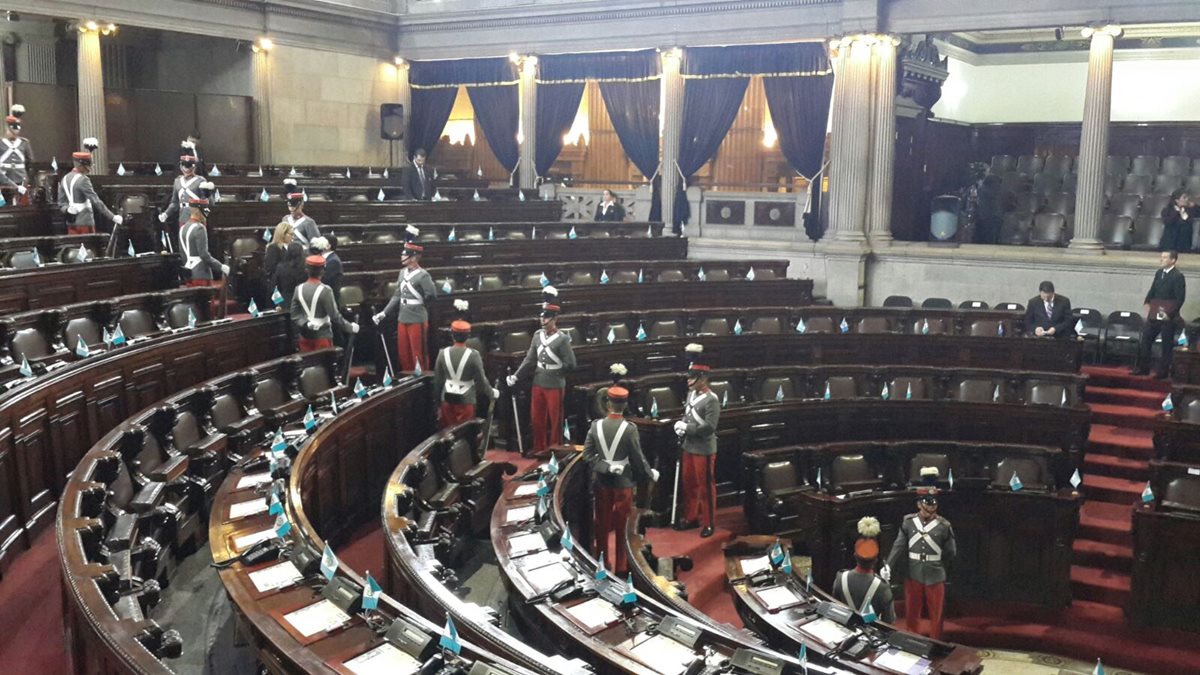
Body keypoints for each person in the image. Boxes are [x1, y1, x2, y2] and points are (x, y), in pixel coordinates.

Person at [582, 385, 658, 576]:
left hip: (601, 482)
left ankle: (602, 562)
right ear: (624, 405)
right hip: (623, 483)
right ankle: (622, 567)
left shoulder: (595, 426)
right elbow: (638, 458)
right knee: (623, 527)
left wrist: (605, 467)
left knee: (601, 524)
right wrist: (650, 475)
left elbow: (587, 455)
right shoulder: (629, 429)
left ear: (608, 404)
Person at [884, 467, 956, 640]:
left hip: (935, 574)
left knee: (936, 615)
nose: (931, 506)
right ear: (918, 504)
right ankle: (912, 640)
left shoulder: (944, 525)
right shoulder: (908, 522)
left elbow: (951, 553)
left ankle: (934, 642)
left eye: (933, 503)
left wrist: (939, 567)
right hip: (913, 573)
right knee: (912, 612)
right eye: (927, 502)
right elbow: (898, 546)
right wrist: (888, 565)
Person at [506, 292, 576, 456]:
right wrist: (516, 376)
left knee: (555, 420)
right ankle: (540, 448)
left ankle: (554, 449)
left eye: (547, 318)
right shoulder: (537, 336)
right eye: (542, 317)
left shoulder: (562, 339)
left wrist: (555, 371)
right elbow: (530, 359)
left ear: (554, 319)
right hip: (538, 381)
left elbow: (571, 364)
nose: (543, 321)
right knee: (537, 418)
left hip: (554, 383)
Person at [373, 226, 436, 372]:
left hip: (417, 317)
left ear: (413, 257)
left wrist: (421, 309)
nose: (401, 257)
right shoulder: (402, 273)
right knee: (404, 353)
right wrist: (384, 312)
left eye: (404, 255)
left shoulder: (423, 275)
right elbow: (397, 295)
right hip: (403, 316)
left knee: (418, 354)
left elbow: (431, 295)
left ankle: (422, 381)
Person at [674, 344, 720, 538]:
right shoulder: (691, 394)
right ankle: (691, 516)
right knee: (689, 484)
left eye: (692, 378)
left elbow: (709, 427)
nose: (689, 381)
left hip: (703, 448)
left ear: (702, 379)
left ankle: (709, 522)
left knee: (705, 487)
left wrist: (687, 428)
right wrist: (681, 425)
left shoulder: (712, 400)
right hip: (688, 446)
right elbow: (688, 414)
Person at [433, 316, 498, 429]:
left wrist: (438, 405)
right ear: (468, 336)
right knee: (465, 436)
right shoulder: (474, 355)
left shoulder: (442, 353)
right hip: (466, 400)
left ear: (452, 335)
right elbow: (482, 382)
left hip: (446, 400)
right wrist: (492, 393)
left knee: (447, 435)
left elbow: (438, 382)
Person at [1133, 249, 1187, 378]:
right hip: (1154, 314)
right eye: (1161, 257)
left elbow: (1180, 298)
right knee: (1146, 338)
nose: (1161, 259)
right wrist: (1147, 301)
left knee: (1166, 344)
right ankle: (1143, 368)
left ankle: (1162, 372)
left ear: (1172, 260)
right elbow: (1153, 289)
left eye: (1164, 257)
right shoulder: (1159, 273)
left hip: (1168, 316)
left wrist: (1171, 313)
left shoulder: (1177, 276)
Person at [832, 517, 896, 624]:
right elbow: (889, 622)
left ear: (855, 556)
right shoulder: (882, 587)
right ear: (875, 560)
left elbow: (835, 609)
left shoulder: (840, 578)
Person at [291, 254, 358, 352]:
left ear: (307, 270)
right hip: (322, 337)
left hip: (304, 336)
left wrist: (306, 323)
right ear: (323, 271)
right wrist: (350, 327)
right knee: (323, 366)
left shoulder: (298, 289)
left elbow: (294, 314)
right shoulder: (326, 290)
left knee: (307, 366)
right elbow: (335, 316)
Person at [57, 139, 122, 235]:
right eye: (89, 165)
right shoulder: (84, 180)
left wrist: (67, 209)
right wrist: (112, 217)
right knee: (89, 248)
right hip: (85, 222)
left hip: (71, 222)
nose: (90, 168)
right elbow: (96, 201)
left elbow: (61, 203)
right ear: (81, 165)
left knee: (75, 248)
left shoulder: (65, 178)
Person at [179, 183, 229, 287]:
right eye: (204, 212)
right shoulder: (199, 228)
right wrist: (221, 267)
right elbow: (204, 255)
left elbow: (183, 254)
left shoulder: (183, 228)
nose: (206, 216)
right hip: (201, 274)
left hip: (188, 272)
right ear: (197, 211)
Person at [157, 141, 204, 229]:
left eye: (189, 166)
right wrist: (166, 214)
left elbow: (208, 202)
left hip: (197, 217)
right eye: (184, 166)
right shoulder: (178, 181)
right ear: (181, 166)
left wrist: (194, 150)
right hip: (183, 216)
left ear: (194, 167)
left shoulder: (200, 181)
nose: (187, 169)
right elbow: (174, 202)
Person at [264, 221, 306, 305]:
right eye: (291, 234)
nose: (293, 237)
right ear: (283, 234)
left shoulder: (292, 247)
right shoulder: (273, 248)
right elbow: (270, 268)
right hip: (279, 285)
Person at [0, 104, 33, 205]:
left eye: (17, 128)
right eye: (13, 128)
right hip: (4, 180)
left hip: (20, 179)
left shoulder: (24, 143)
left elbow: (29, 162)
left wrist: (26, 179)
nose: (16, 131)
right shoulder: (1, 142)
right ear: (8, 128)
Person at [283, 180, 321, 248]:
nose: (292, 210)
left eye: (295, 207)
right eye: (290, 206)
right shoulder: (285, 219)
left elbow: (316, 245)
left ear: (301, 206)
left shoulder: (309, 222)